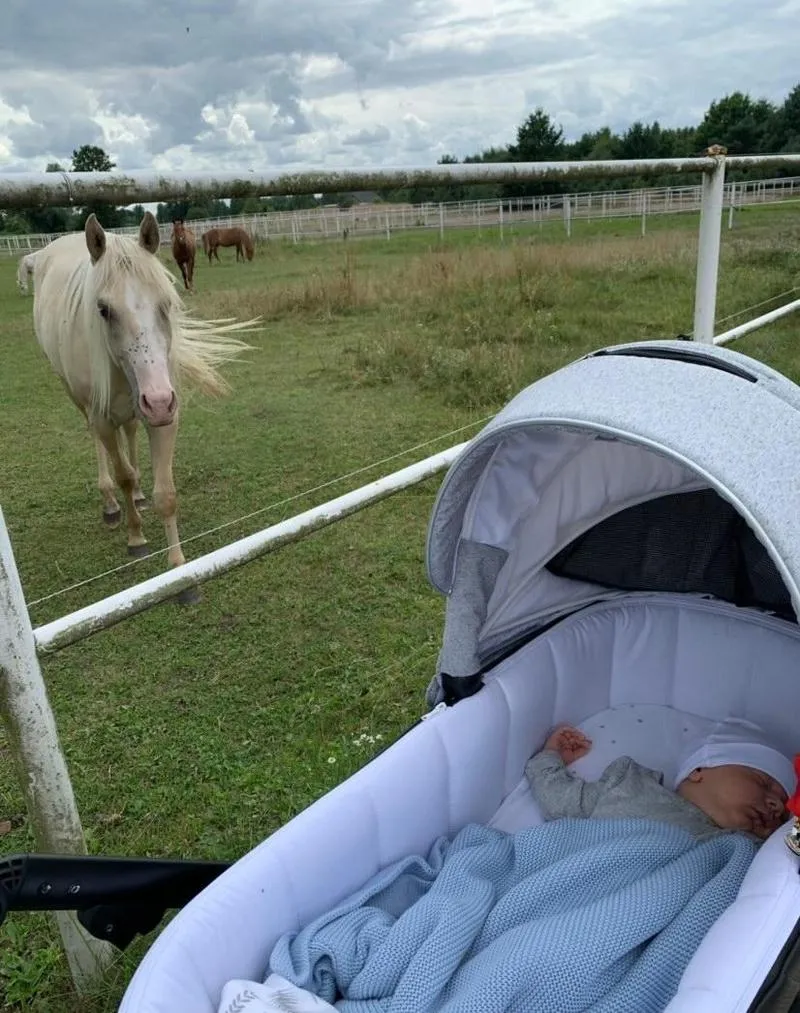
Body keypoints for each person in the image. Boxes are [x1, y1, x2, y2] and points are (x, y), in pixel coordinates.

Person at [525, 716, 795, 843]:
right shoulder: (628, 786)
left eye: (783, 808)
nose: (775, 806)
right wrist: (551, 757)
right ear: (698, 771)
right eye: (763, 783)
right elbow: (560, 802)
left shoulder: (750, 853)